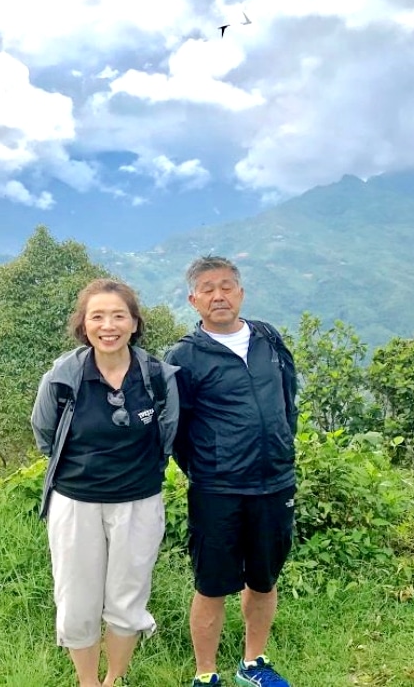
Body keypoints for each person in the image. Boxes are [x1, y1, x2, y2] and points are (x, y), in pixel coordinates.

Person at [31, 277, 181, 687]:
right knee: (77, 602)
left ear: (134, 323)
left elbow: (167, 435)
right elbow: (44, 433)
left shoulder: (156, 377)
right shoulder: (64, 376)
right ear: (84, 324)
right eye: (97, 316)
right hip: (75, 503)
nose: (108, 325)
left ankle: (113, 679)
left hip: (139, 504)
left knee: (127, 600)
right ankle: (88, 683)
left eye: (119, 315)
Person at [164, 255, 299, 687]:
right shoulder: (184, 356)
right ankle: (205, 674)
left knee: (263, 578)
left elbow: (287, 401)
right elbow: (177, 429)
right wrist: (209, 466)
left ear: (240, 292)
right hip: (216, 489)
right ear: (193, 299)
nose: (218, 295)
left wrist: (280, 450)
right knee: (212, 584)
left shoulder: (268, 339)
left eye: (226, 286)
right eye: (207, 288)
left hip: (274, 482)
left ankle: (253, 663)